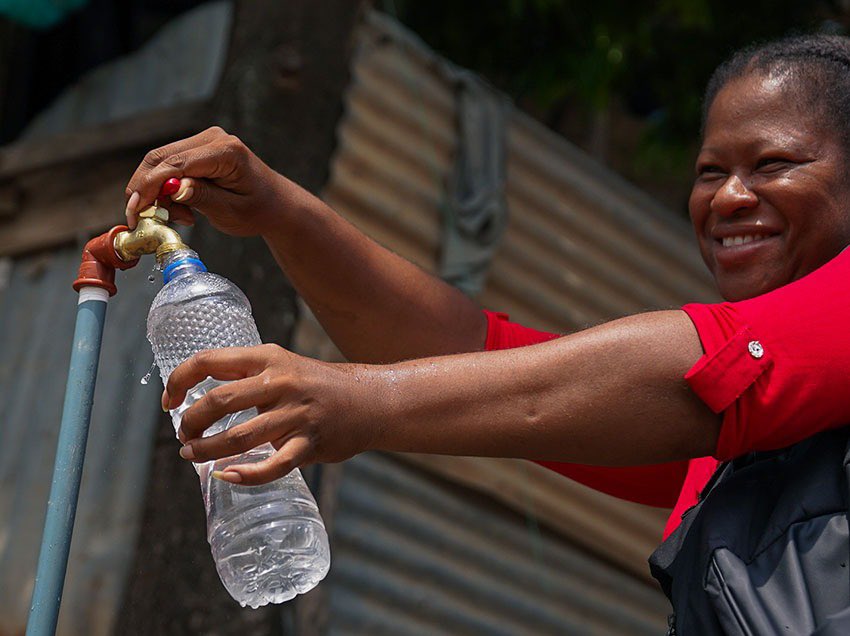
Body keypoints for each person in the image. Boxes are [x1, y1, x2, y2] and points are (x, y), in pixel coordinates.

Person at [125, 34, 850, 631]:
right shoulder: (728, 448)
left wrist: (362, 401)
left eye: (774, 164)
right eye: (709, 171)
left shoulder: (714, 394)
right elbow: (472, 359)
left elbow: (707, 370)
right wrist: (282, 211)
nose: (727, 197)